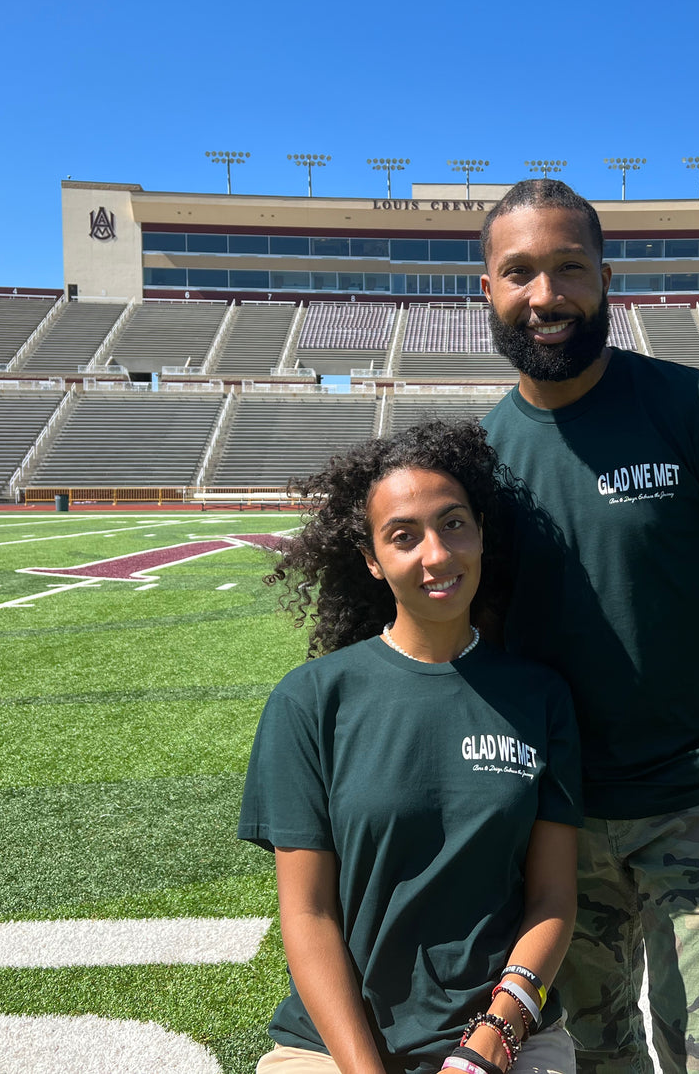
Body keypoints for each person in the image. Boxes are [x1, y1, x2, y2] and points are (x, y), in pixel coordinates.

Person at [478, 180, 699, 1074]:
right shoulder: (477, 458)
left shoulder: (694, 408)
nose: (545, 295)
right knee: (599, 1055)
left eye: (567, 268)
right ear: (487, 289)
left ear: (605, 278)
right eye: (519, 272)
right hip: (558, 817)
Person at [238, 420, 585, 1074]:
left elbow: (551, 900)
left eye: (453, 524)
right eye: (403, 536)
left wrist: (491, 1040)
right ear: (371, 559)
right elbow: (307, 914)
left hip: (508, 1039)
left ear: (480, 531)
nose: (436, 553)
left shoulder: (540, 697)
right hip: (333, 1047)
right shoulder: (309, 701)